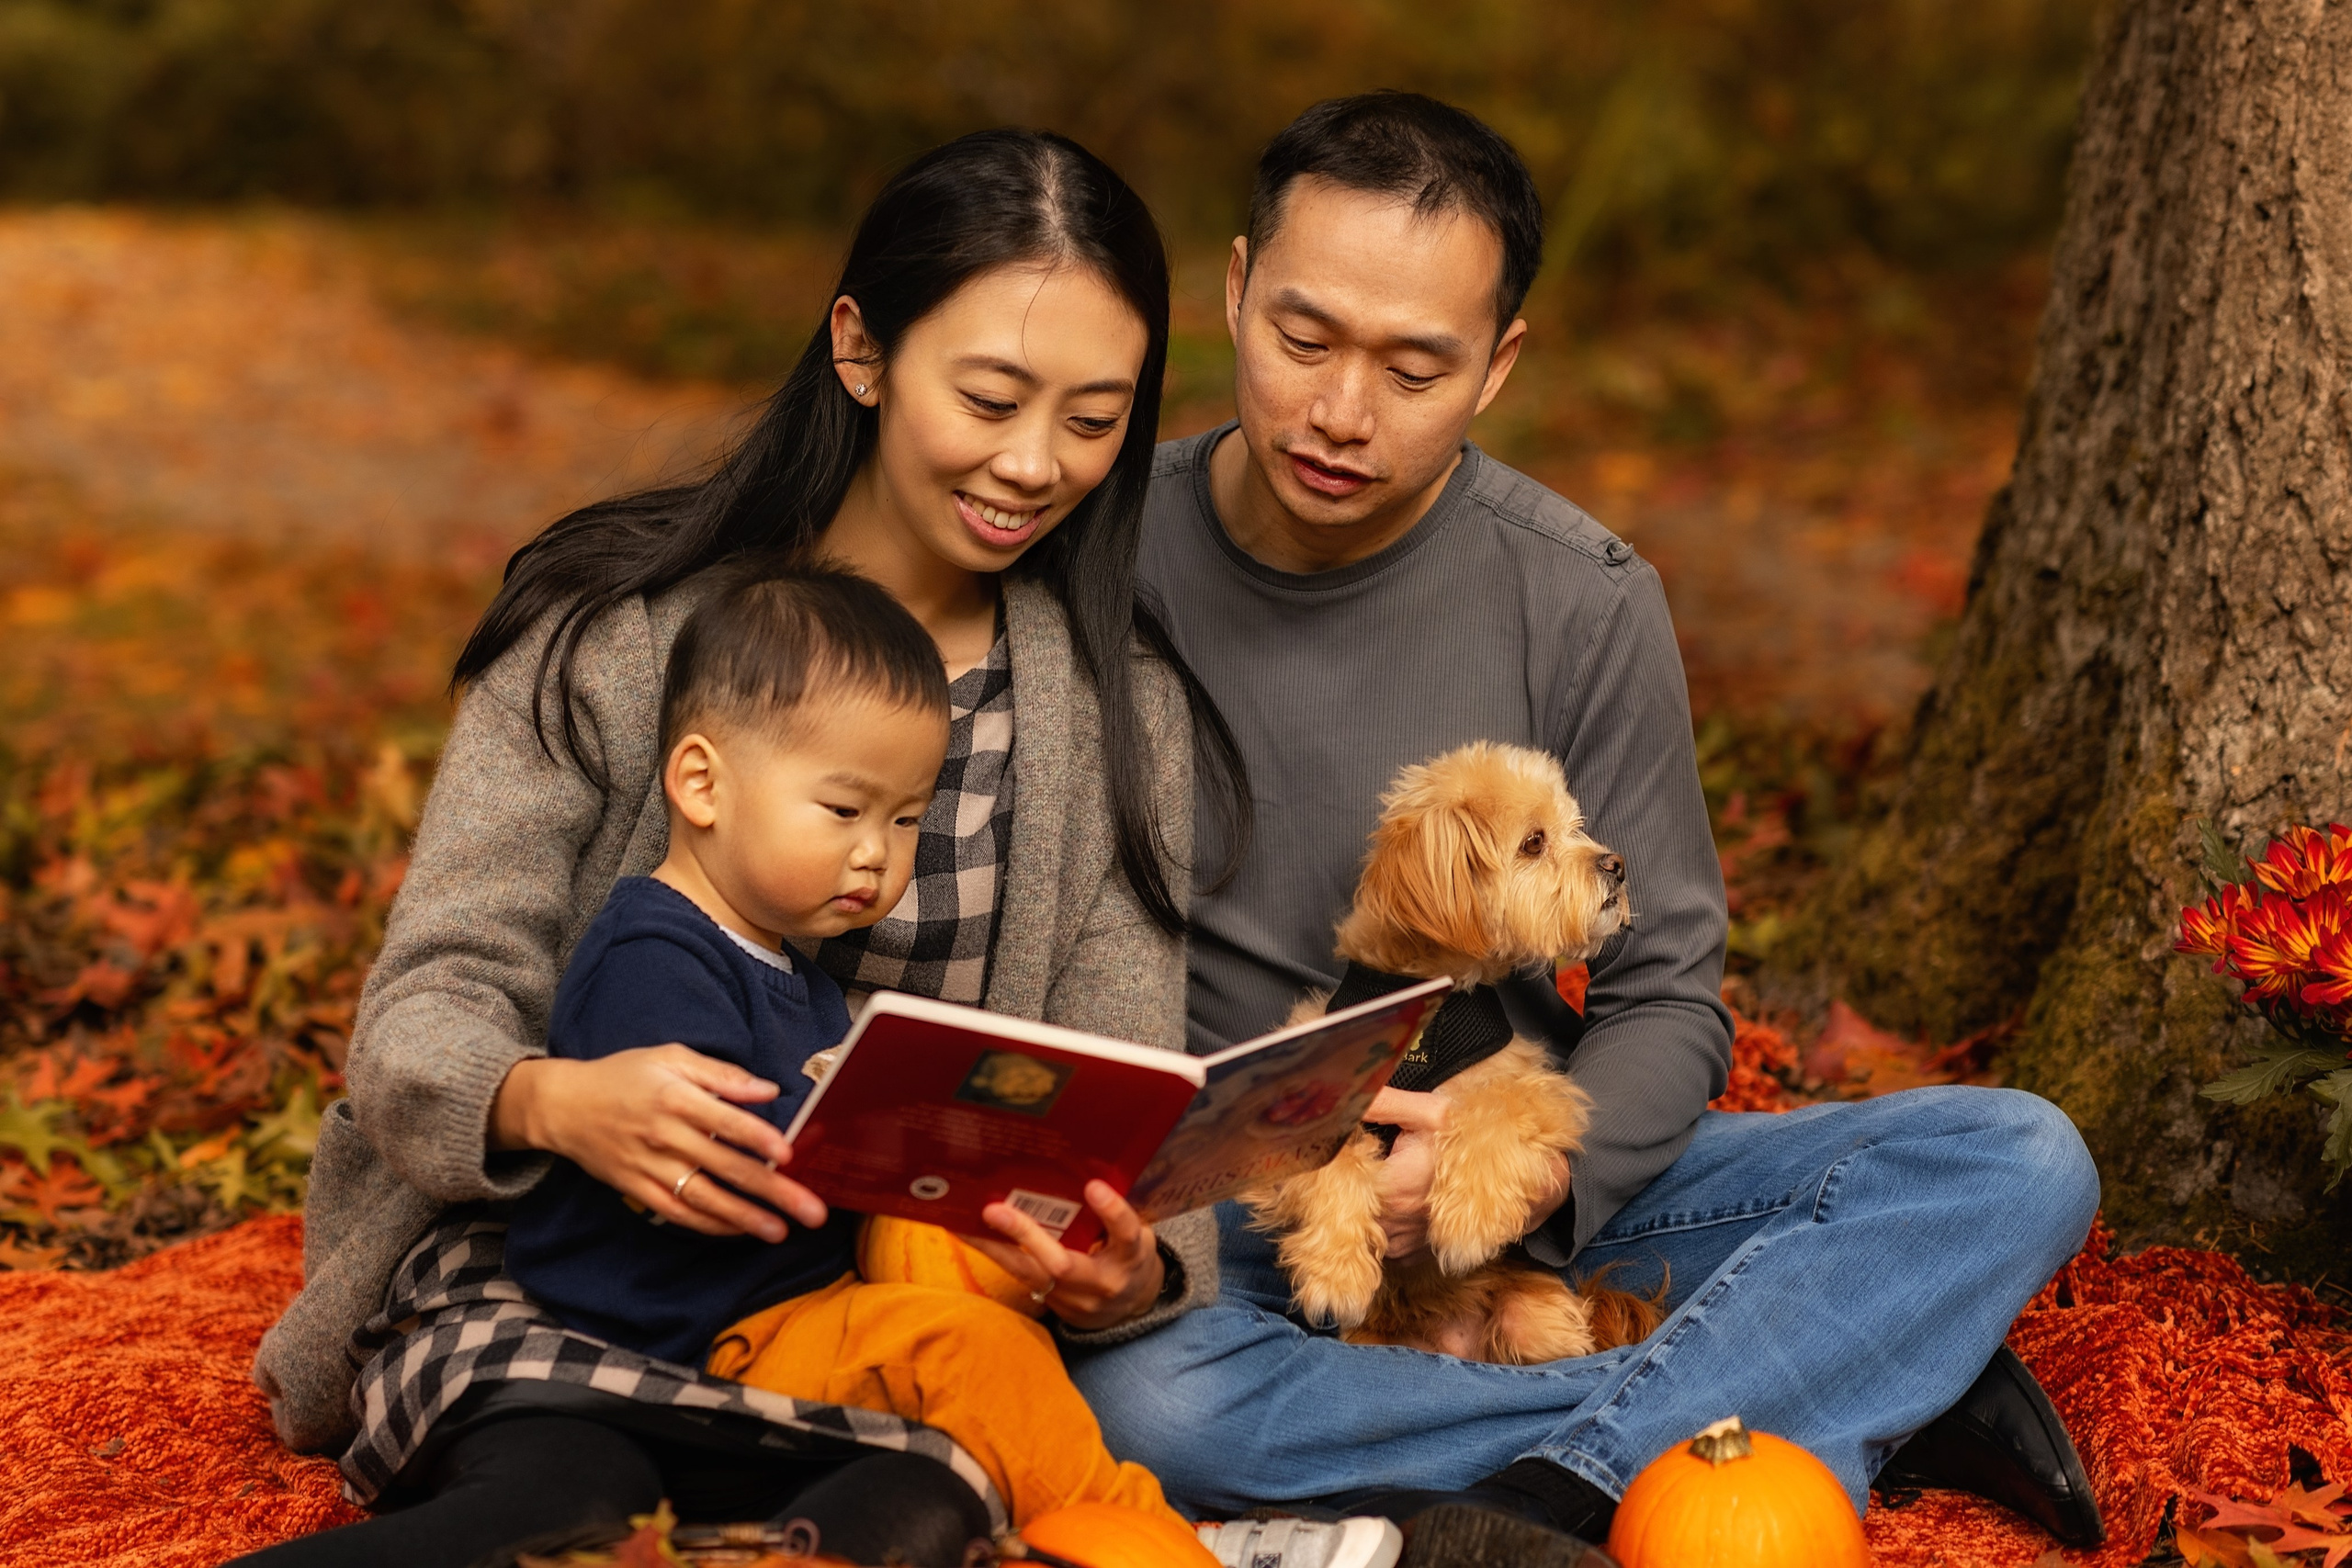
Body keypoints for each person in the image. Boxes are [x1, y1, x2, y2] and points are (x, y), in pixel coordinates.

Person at [242, 129, 1389, 1568]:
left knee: (914, 1512)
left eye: (1095, 421)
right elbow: (428, 1002)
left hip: (871, 1321)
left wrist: (1123, 1270)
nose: (1034, 464)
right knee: (564, 1505)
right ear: (860, 349)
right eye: (989, 396)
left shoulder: (1116, 720)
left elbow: (1120, 1099)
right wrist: (554, 1102)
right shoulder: (618, 633)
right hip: (556, 1275)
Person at [1070, 92, 2106, 1566]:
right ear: (1233, 289)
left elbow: (1668, 988)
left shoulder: (1580, 596)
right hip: (1243, 1221)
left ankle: (1589, 1467)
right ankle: (1830, 1389)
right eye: (1303, 339)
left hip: (1527, 1185)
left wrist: (1538, 1178)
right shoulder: (1099, 555)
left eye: (1415, 366)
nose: (1341, 412)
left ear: (1497, 368)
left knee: (2021, 1158)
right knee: (1160, 1411)